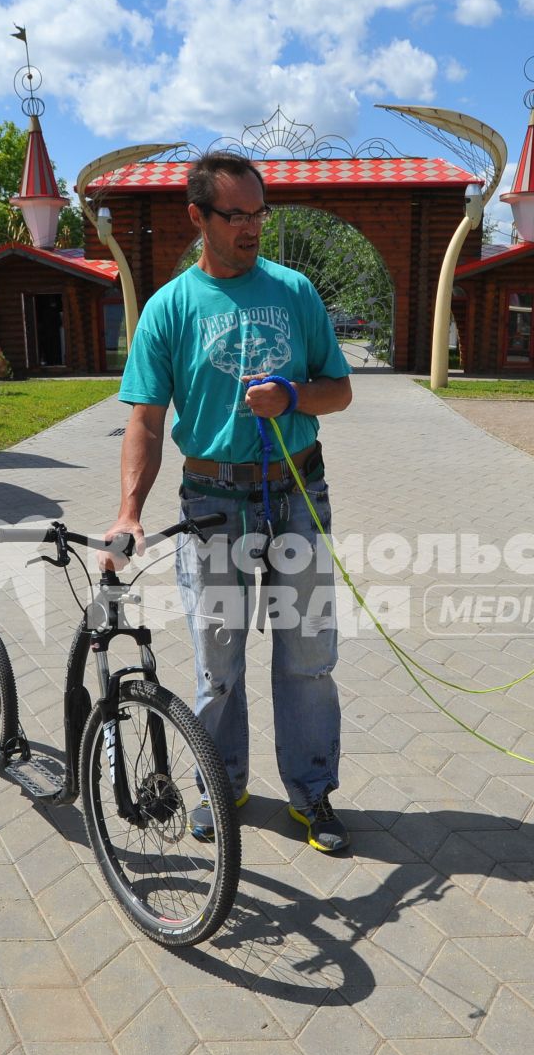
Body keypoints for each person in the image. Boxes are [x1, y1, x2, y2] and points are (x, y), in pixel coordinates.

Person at [104, 151, 355, 853]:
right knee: (219, 662)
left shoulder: (296, 292)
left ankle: (312, 794)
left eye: (258, 214)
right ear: (198, 216)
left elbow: (341, 388)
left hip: (297, 493)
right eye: (236, 215)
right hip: (211, 501)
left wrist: (294, 396)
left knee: (308, 655)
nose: (252, 229)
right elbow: (146, 420)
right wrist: (129, 508)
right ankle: (224, 784)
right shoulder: (170, 308)